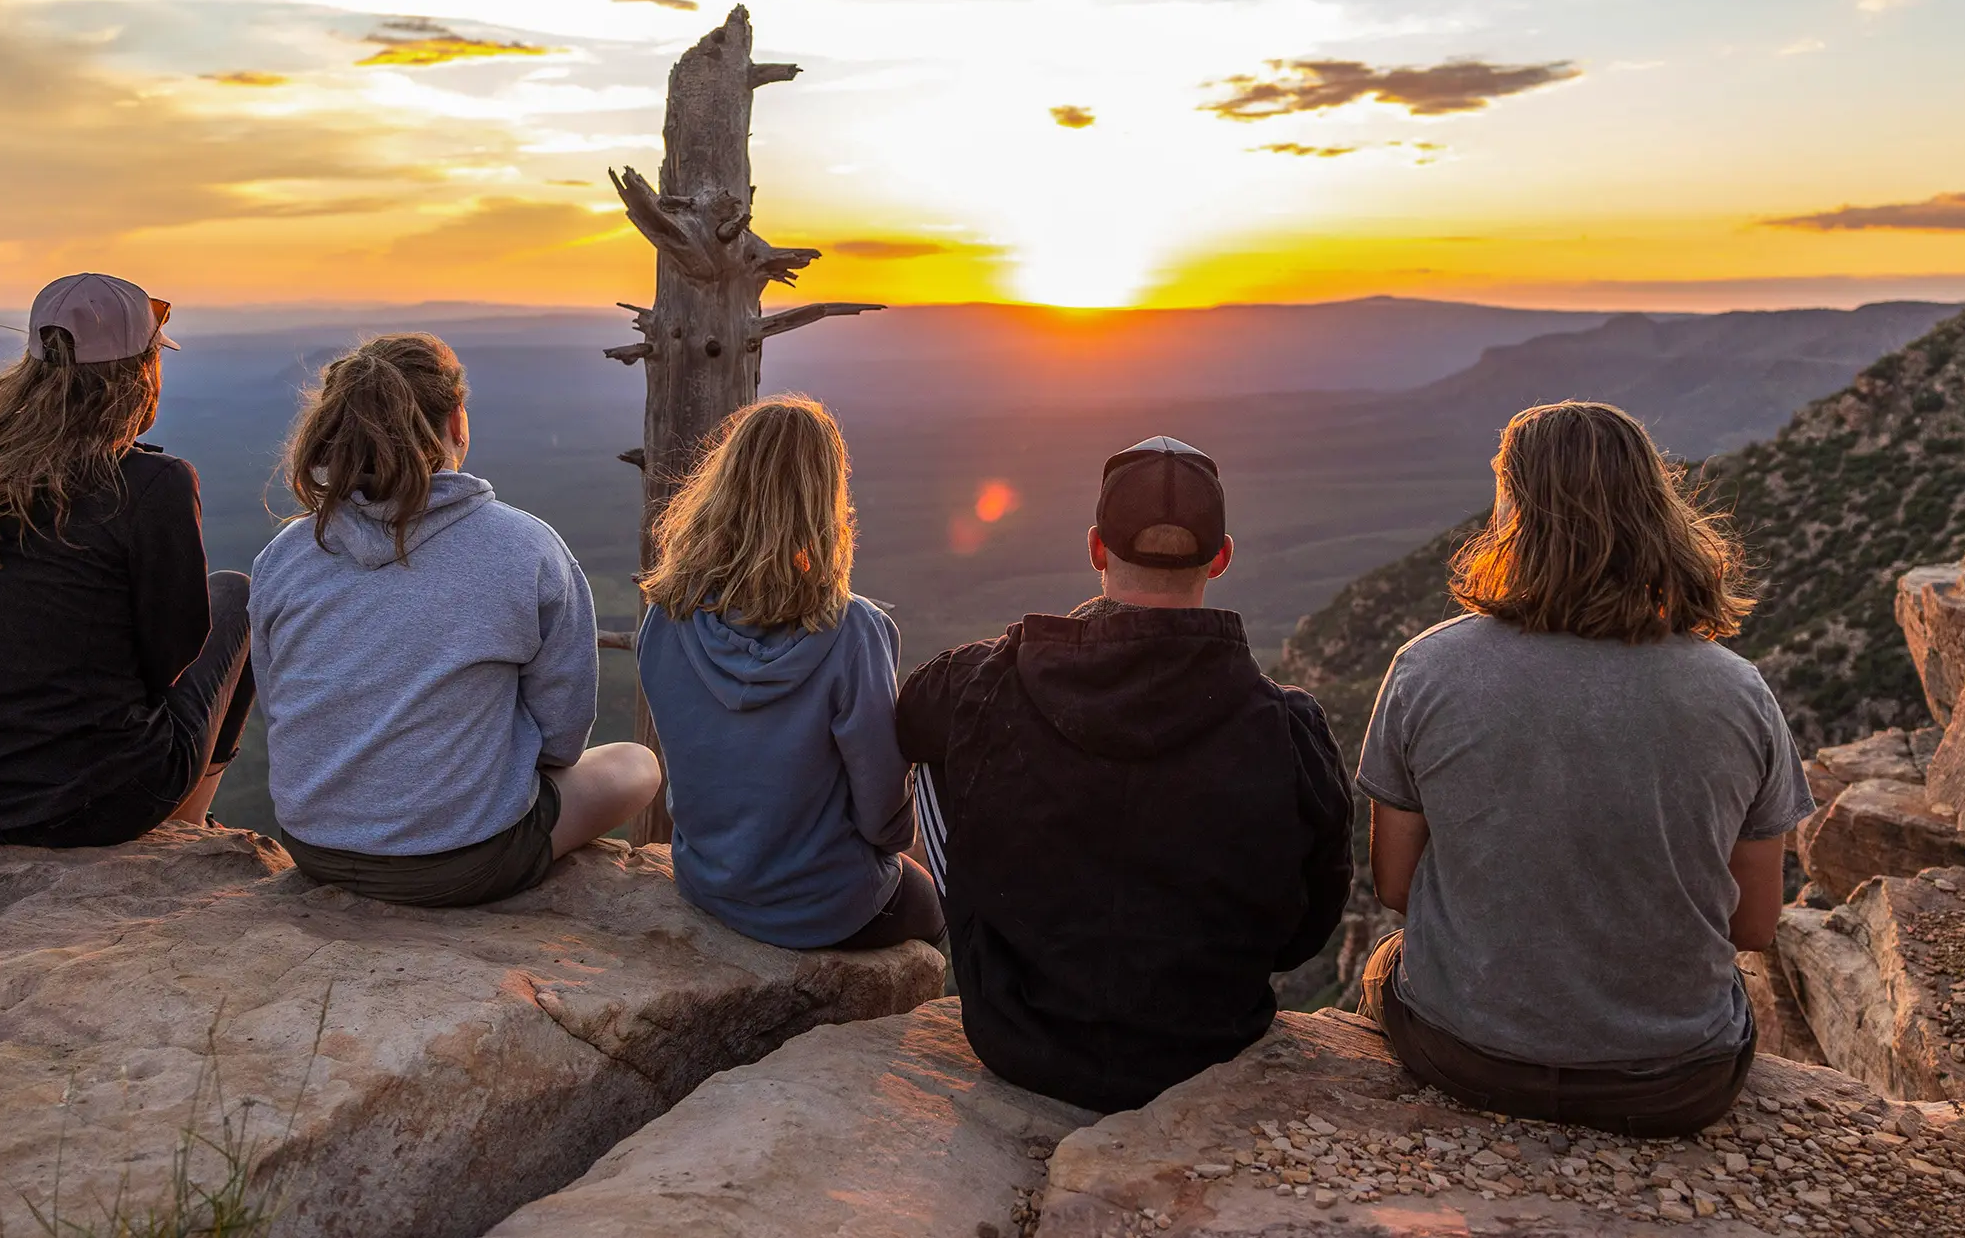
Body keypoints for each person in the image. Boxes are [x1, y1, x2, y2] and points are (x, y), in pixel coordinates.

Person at [1354, 400, 1812, 1138]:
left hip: (1464, 1055)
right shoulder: (1738, 692)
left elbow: (1397, 885)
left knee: (1383, 964)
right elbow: (1755, 923)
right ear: (1657, 512)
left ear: (1514, 515)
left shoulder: (1428, 668)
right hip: (1674, 1082)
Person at [898, 435, 1353, 1113]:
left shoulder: (985, 682)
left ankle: (1001, 956)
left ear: (1096, 549)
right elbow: (1310, 928)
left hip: (1019, 1042)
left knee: (944, 746)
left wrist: (1025, 650)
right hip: (1208, 1046)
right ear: (1221, 557)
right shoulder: (1290, 729)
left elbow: (909, 718)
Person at [250, 334, 660, 906]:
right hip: (466, 864)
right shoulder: (526, 547)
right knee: (637, 764)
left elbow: (282, 707)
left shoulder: (287, 553)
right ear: (457, 422)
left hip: (313, 847)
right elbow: (563, 739)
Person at [0, 272, 254, 847]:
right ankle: (187, 824)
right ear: (141, 373)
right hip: (98, 800)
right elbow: (174, 654)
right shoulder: (152, 484)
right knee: (236, 596)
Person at [636, 397, 939, 950]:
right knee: (936, 899)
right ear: (826, 501)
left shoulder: (665, 616)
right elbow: (882, 822)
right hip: (825, 909)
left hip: (707, 884)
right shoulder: (855, 634)